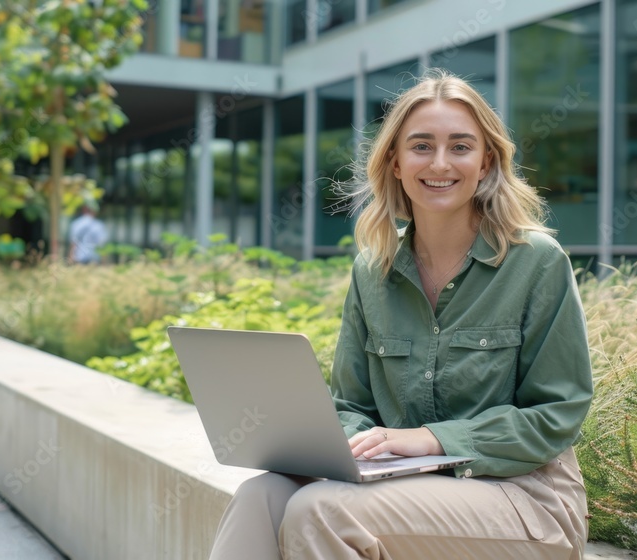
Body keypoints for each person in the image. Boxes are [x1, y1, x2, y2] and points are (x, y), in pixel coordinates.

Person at [208, 70, 594, 560]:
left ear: (485, 161)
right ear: (394, 162)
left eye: (460, 147)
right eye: (420, 146)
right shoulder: (373, 271)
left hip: (525, 499)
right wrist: (352, 444)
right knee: (260, 497)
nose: (439, 163)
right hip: (407, 489)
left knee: (321, 508)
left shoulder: (536, 261)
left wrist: (432, 440)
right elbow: (351, 406)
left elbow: (556, 414)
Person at [68, 198, 108, 265]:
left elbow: (73, 243)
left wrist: (71, 258)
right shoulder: (99, 226)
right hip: (94, 260)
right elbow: (102, 245)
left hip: (79, 258)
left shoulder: (76, 224)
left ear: (84, 209)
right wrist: (104, 263)